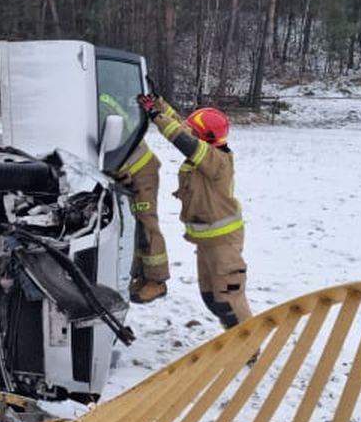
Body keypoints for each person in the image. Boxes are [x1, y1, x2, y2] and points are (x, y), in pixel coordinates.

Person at [136, 90, 252, 329]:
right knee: (213, 301)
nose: (192, 134)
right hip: (207, 241)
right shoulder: (208, 149)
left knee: (230, 301)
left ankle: (250, 348)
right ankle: (236, 342)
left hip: (224, 244)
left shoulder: (215, 160)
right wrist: (160, 103)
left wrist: (156, 116)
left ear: (206, 138)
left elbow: (183, 139)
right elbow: (186, 129)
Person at [100, 93, 170, 304]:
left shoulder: (101, 106)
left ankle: (157, 282)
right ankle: (142, 276)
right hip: (129, 168)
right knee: (136, 226)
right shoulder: (102, 100)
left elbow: (111, 144)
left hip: (140, 170)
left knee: (147, 224)